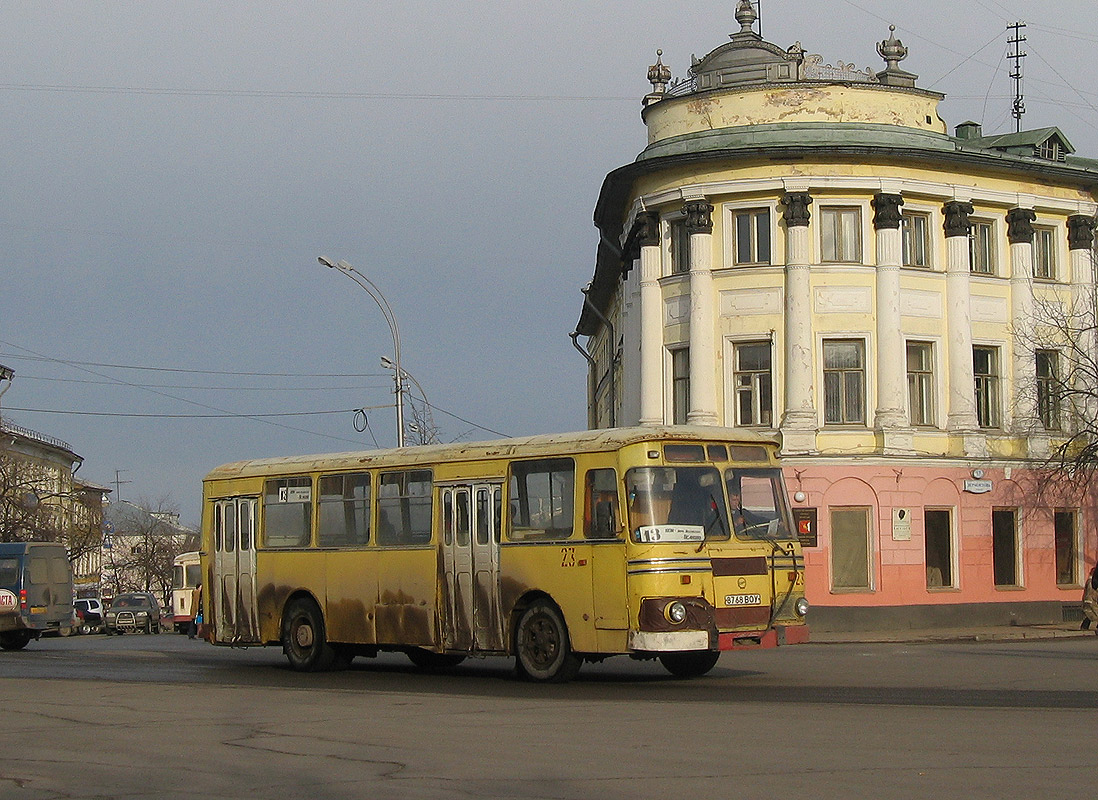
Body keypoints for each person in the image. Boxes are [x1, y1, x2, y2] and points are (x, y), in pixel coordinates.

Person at [1081, 565, 1098, 633]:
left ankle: (1084, 626)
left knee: (1090, 614)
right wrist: (1088, 600)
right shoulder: (1091, 581)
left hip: (1091, 600)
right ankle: (1084, 626)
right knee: (1094, 613)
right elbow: (1090, 591)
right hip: (1090, 600)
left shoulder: (1090, 581)